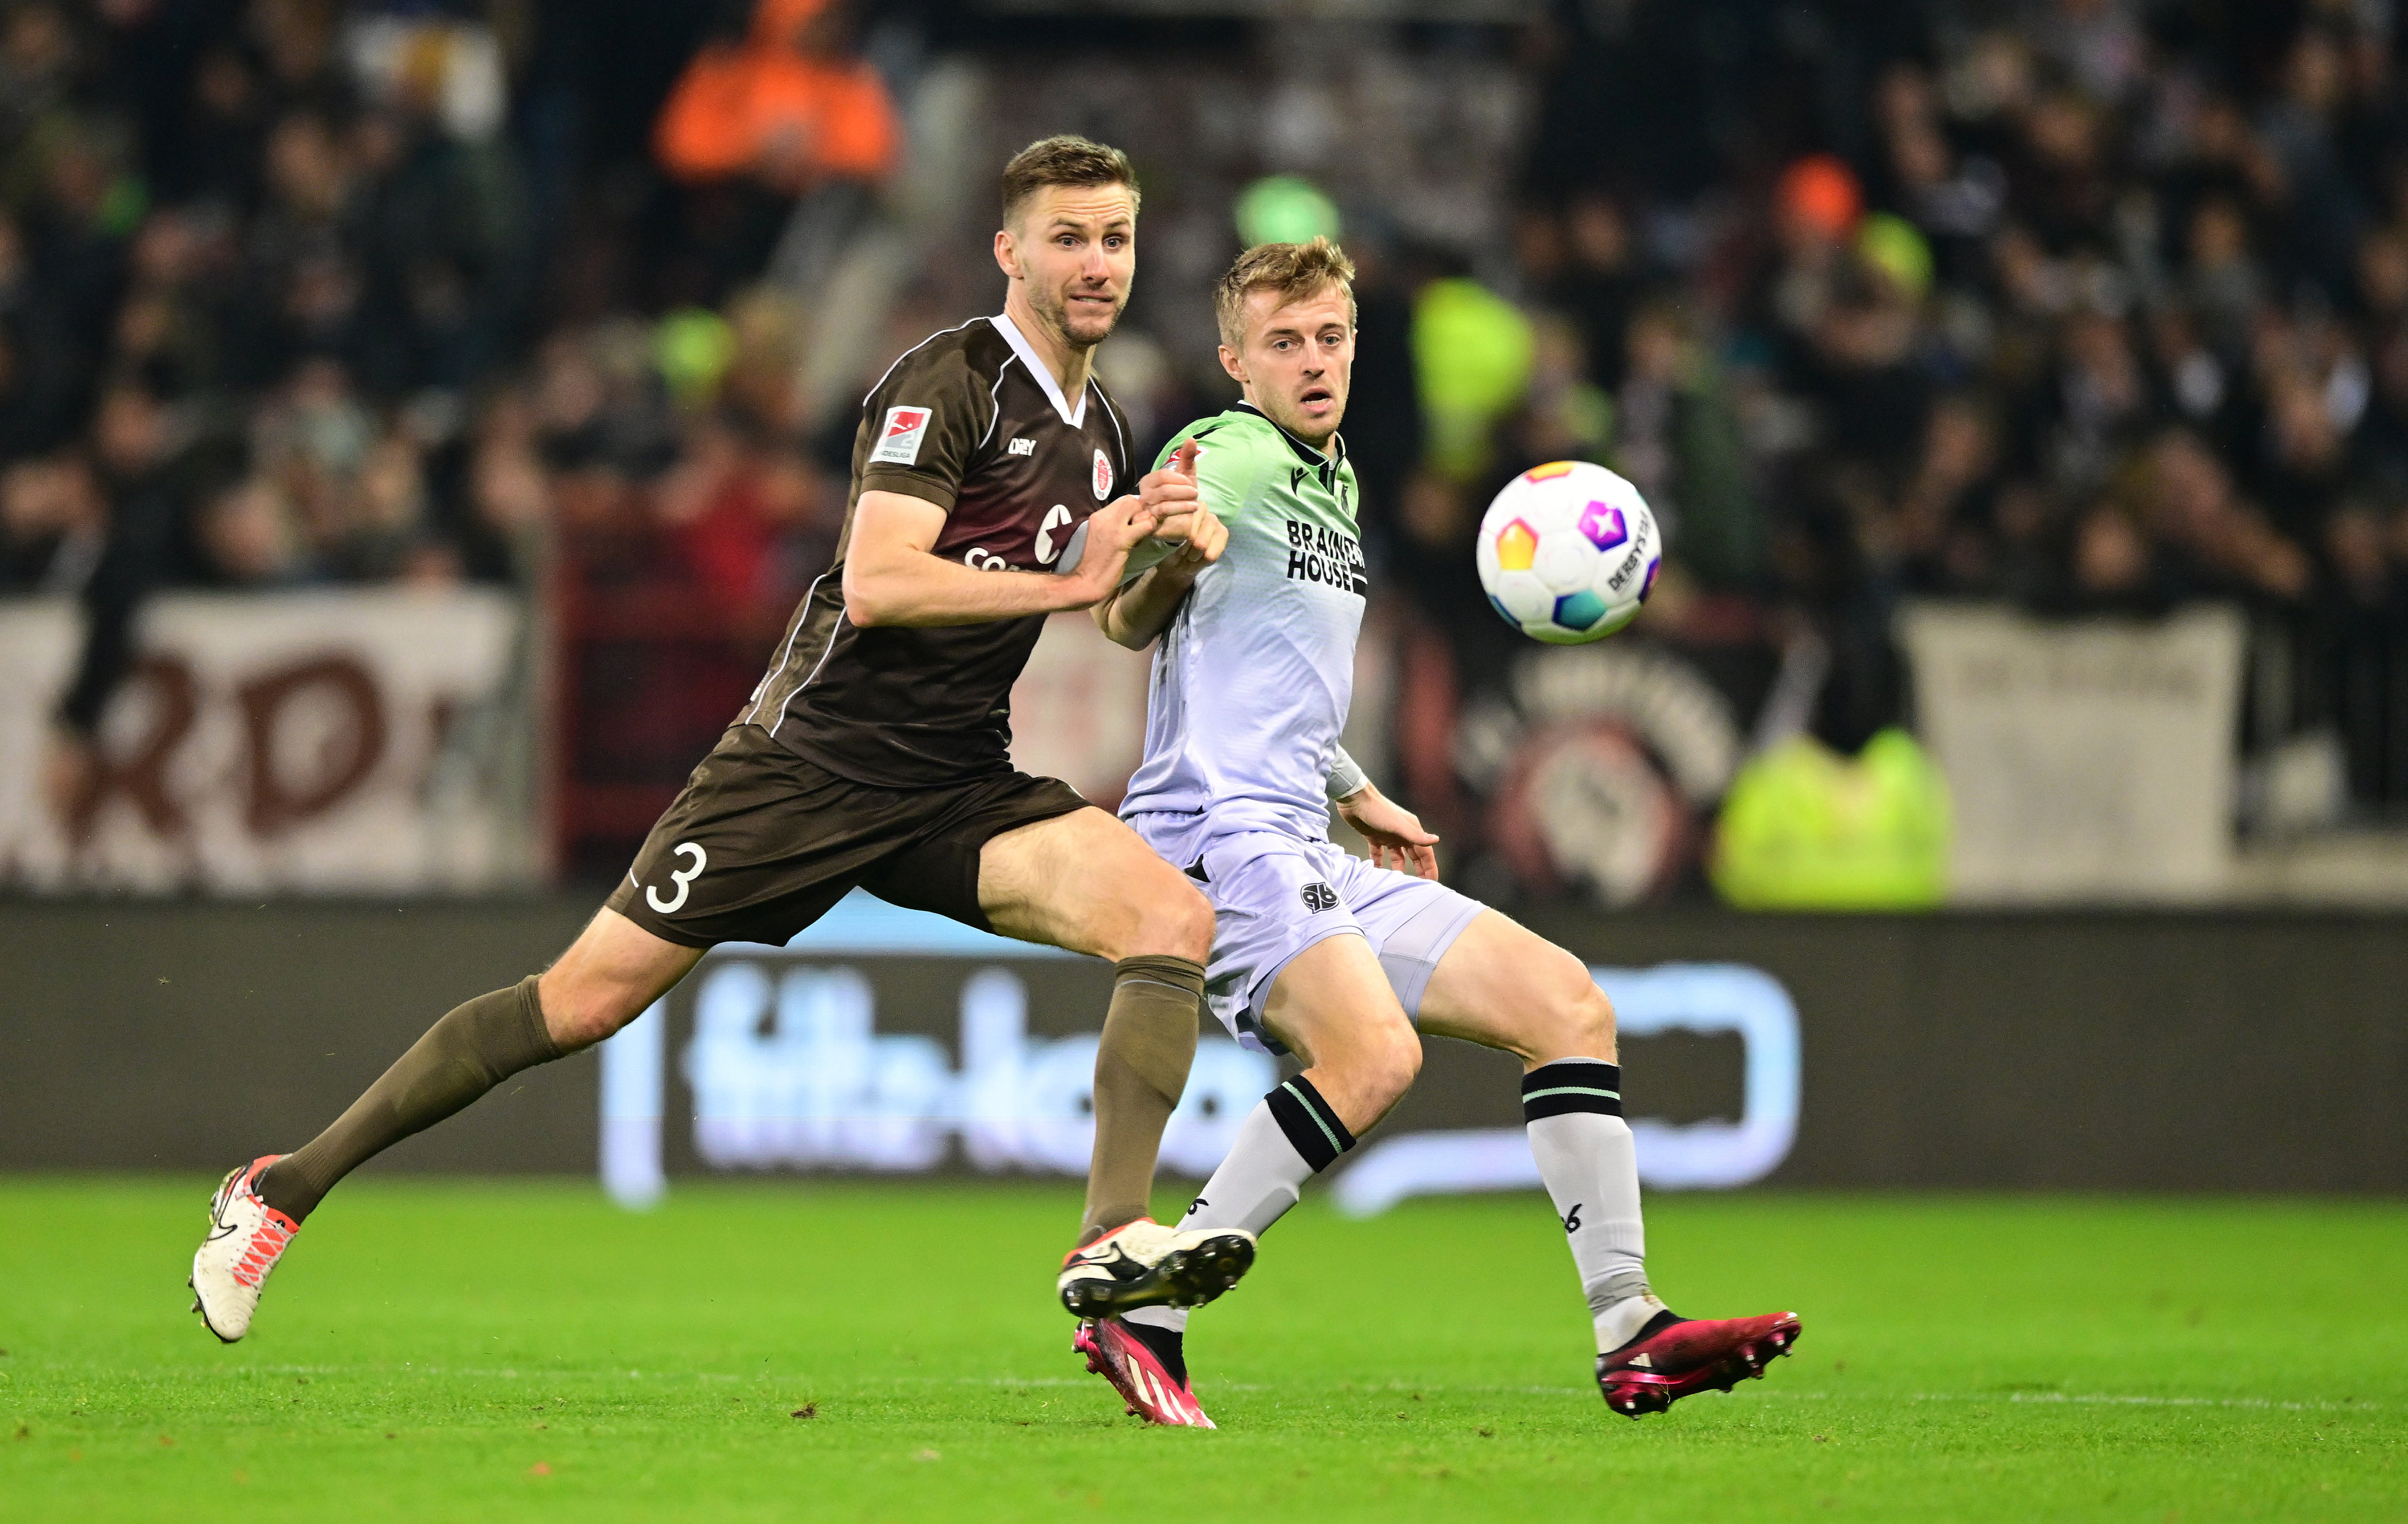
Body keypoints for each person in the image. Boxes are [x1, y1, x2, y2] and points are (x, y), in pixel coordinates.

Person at [189, 136, 1255, 1343]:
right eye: (1068, 237)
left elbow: (1117, 621)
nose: (1096, 262)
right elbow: (881, 583)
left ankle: (1109, 1246)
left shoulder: (1104, 421)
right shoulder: (949, 379)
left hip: (953, 781)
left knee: (1168, 919)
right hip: (807, 767)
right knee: (580, 1005)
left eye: (1113, 237)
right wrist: (1072, 583)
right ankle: (278, 1193)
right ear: (1010, 251)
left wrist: (1157, 561)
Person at [1075, 238, 1801, 1427]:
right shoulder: (1231, 453)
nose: (1311, 362)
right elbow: (1125, 609)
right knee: (1372, 1058)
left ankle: (1632, 1329)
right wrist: (1168, 551)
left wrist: (1353, 787)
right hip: (1215, 836)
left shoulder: (1336, 481)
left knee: (1566, 1007)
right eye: (1283, 344)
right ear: (1234, 362)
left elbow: (1276, 673)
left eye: (1329, 339)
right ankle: (1142, 1308)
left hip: (1302, 832)